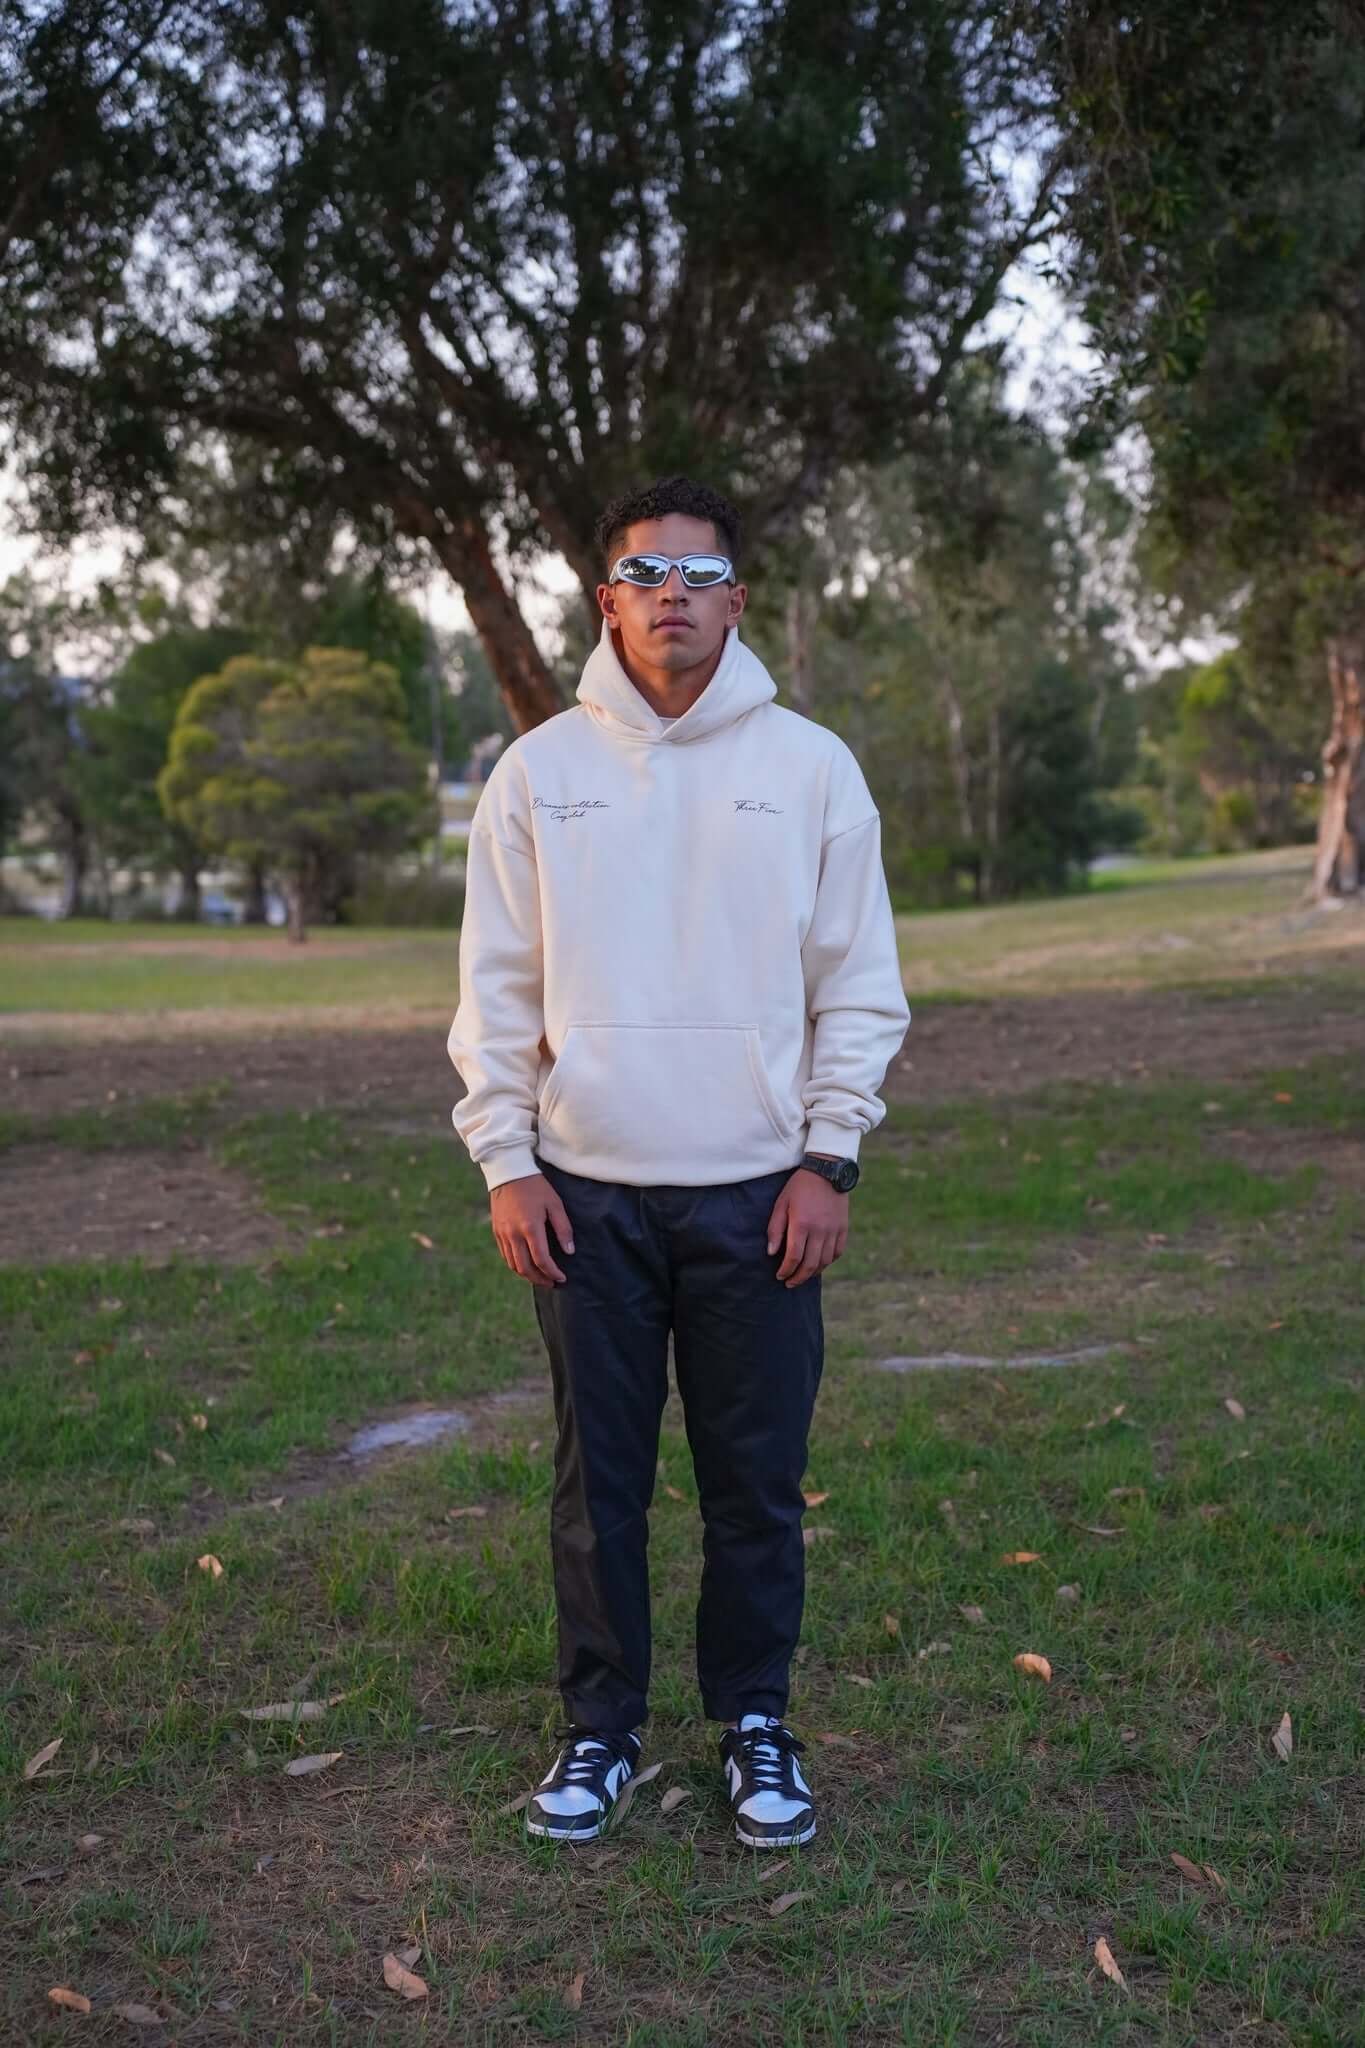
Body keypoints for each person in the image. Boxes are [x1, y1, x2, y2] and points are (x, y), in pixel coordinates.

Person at [447, 475, 910, 1849]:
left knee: (753, 1482)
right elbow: (495, 989)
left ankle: (755, 1725)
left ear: (735, 599)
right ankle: (598, 1731)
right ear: (606, 601)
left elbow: (859, 982)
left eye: (696, 574)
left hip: (760, 1194)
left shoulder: (810, 767)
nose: (671, 596)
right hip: (582, 1193)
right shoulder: (538, 773)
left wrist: (828, 1156)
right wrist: (504, 1159)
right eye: (643, 573)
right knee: (597, 1489)